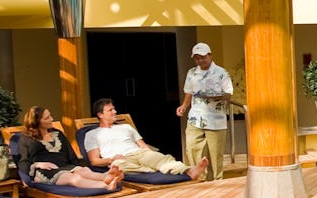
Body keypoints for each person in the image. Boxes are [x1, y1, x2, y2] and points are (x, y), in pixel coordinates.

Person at [86, 98, 208, 179]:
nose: (115, 111)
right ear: (100, 115)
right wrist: (111, 159)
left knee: (161, 158)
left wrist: (151, 154)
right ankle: (151, 170)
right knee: (118, 166)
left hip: (139, 153)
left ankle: (189, 171)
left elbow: (143, 145)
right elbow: (94, 161)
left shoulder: (126, 127)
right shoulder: (92, 134)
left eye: (114, 109)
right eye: (110, 110)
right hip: (119, 159)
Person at [17, 106, 121, 190]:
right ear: (37, 122)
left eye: (50, 116)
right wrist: (37, 165)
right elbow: (23, 161)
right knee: (74, 178)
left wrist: (79, 167)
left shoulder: (57, 133)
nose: (52, 119)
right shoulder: (26, 138)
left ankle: (105, 177)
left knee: (84, 171)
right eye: (47, 118)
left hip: (65, 166)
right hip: (45, 171)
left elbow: (70, 154)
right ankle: (105, 186)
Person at [177, 42, 233, 181]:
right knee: (192, 147)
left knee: (215, 154)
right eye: (197, 58)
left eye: (203, 57)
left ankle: (216, 181)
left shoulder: (221, 73)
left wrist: (217, 97)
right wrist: (184, 106)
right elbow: (189, 91)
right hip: (195, 117)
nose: (200, 60)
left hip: (215, 119)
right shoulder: (192, 72)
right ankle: (199, 179)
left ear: (210, 55)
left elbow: (228, 94)